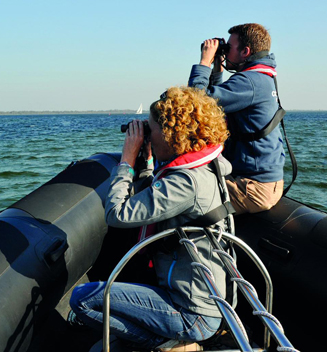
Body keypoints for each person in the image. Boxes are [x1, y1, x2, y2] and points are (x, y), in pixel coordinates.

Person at [69, 86, 234, 352]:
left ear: (171, 135)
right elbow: (155, 202)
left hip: (191, 312)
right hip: (200, 298)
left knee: (82, 299)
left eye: (152, 129)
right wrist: (147, 163)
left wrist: (126, 160)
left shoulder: (187, 182)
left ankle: (172, 344)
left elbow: (117, 213)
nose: (149, 134)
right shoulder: (203, 168)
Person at [188, 23, 285, 214]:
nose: (224, 53)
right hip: (266, 181)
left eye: (228, 48)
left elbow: (195, 103)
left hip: (252, 188)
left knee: (182, 196)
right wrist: (217, 70)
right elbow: (220, 103)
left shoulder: (249, 81)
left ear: (245, 52)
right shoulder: (262, 77)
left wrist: (204, 62)